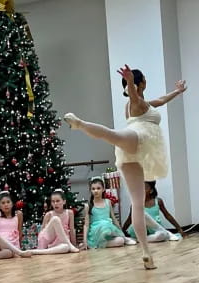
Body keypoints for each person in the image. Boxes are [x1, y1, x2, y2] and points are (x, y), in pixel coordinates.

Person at [64, 65, 187, 269]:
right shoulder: (136, 102)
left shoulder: (144, 104)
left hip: (131, 150)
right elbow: (133, 96)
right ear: (142, 83)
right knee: (112, 135)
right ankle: (81, 124)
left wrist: (178, 91)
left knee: (137, 204)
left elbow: (162, 100)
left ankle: (146, 253)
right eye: (145, 79)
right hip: (139, 139)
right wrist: (130, 82)